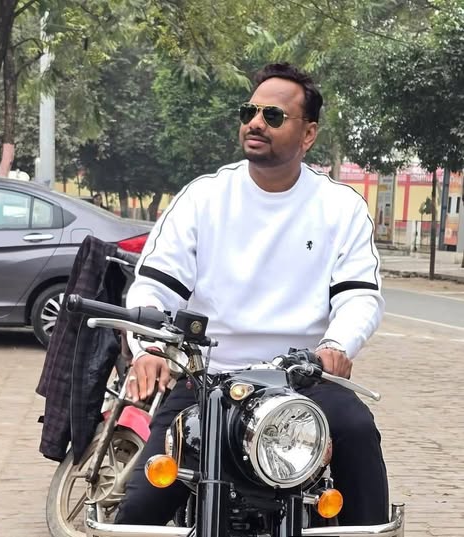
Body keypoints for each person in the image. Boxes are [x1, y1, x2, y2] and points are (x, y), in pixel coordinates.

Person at [116, 62, 389, 527]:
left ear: (308, 134)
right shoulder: (203, 198)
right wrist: (151, 348)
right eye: (250, 112)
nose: (256, 123)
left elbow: (359, 295)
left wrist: (337, 346)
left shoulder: (340, 207)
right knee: (139, 513)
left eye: (273, 116)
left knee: (358, 433)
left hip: (302, 383)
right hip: (207, 380)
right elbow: (156, 285)